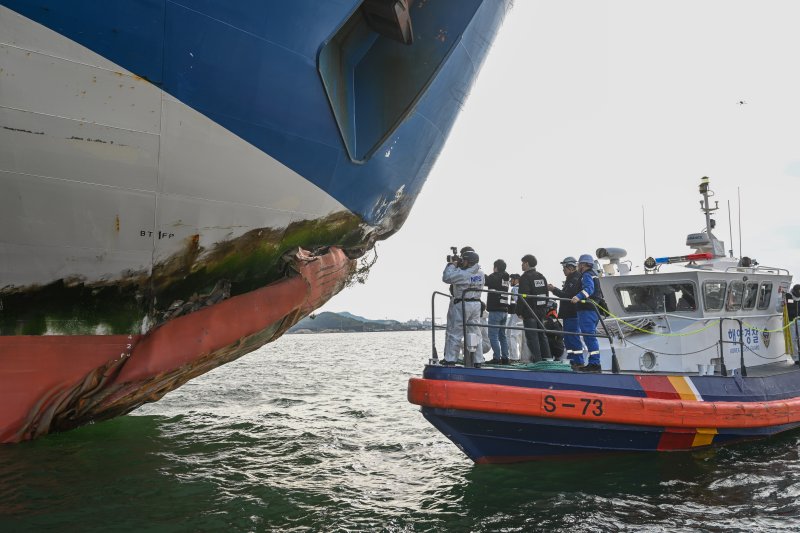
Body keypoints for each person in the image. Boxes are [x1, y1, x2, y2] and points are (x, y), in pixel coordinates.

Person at [442, 250, 485, 366]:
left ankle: (451, 359)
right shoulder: (481, 273)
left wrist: (452, 265)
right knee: (475, 333)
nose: (462, 262)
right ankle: (478, 360)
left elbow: (446, 277)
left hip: (463, 304)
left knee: (455, 332)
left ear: (469, 261)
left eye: (464, 260)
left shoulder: (463, 274)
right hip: (476, 304)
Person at [570, 254, 604, 372]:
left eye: (579, 264)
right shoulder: (593, 274)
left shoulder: (586, 275)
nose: (578, 266)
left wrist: (578, 297)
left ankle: (594, 364)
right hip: (592, 310)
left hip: (587, 310)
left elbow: (589, 288)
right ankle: (594, 362)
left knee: (589, 337)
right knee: (589, 336)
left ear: (583, 264)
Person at [548, 257, 582, 368]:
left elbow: (568, 296)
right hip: (567, 314)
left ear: (571, 267)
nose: (563, 270)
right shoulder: (570, 278)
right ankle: (571, 360)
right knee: (568, 339)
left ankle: (578, 361)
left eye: (564, 268)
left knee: (573, 338)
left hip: (572, 314)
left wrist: (553, 289)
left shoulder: (575, 279)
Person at [516, 254, 551, 362]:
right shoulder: (541, 276)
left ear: (527, 263)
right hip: (541, 312)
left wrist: (519, 311)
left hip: (529, 312)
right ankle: (547, 359)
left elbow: (523, 296)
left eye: (522, 263)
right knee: (542, 336)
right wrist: (543, 309)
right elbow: (546, 294)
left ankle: (538, 361)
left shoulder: (525, 277)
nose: (521, 265)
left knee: (532, 338)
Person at [485, 259, 511, 364]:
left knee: (493, 335)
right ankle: (505, 357)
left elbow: (485, 281)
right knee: (502, 336)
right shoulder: (506, 278)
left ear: (496, 267)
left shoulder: (495, 277)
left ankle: (496, 358)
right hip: (504, 310)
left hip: (495, 310)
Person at [506, 274, 523, 360]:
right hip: (520, 314)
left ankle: (514, 357)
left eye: (512, 279)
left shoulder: (515, 289)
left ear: (517, 280)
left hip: (516, 314)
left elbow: (518, 301)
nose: (510, 281)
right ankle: (521, 357)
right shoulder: (522, 288)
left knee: (511, 335)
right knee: (520, 337)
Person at [787, 284, 800, 361]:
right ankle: (796, 358)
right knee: (793, 339)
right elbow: (780, 308)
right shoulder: (788, 296)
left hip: (799, 320)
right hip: (791, 321)